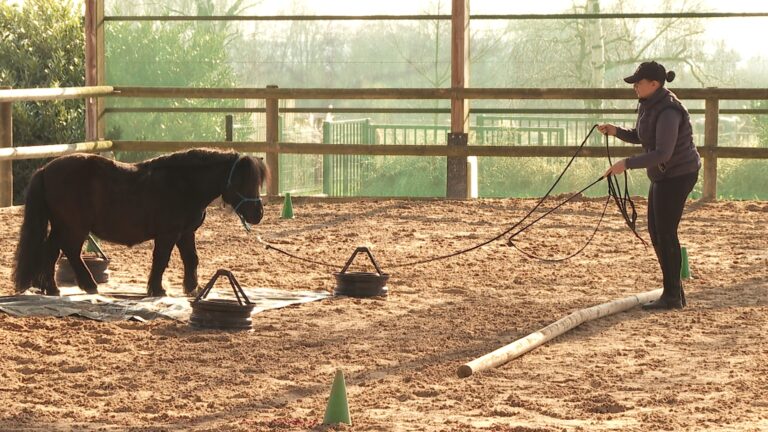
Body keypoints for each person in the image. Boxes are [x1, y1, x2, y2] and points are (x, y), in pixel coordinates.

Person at [598, 61, 701, 310]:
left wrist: (627, 163)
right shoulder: (649, 105)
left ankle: (672, 296)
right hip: (663, 175)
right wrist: (616, 131)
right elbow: (642, 136)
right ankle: (674, 291)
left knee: (665, 232)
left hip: (678, 174)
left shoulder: (668, 111)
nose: (635, 86)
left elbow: (663, 152)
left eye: (639, 82)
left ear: (654, 84)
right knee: (657, 232)